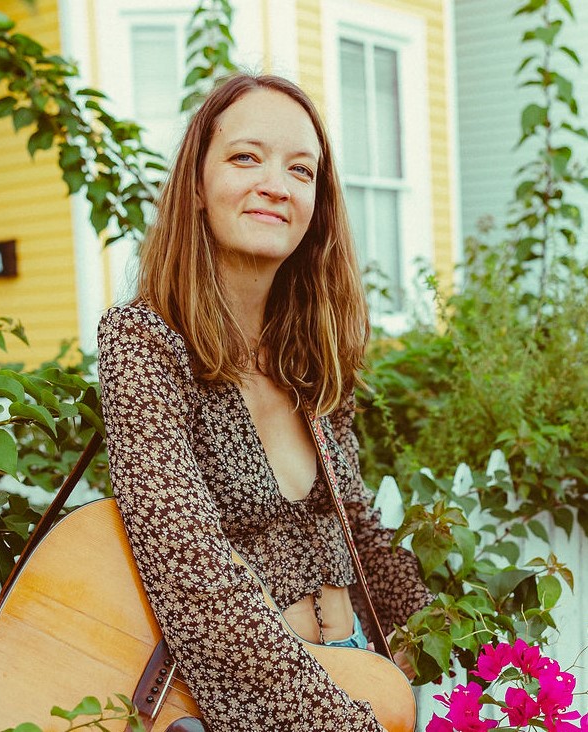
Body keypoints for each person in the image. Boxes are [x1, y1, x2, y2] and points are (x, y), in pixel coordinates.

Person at [97, 73, 433, 731]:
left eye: (300, 170)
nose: (276, 185)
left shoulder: (311, 357)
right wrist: (334, 719)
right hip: (247, 706)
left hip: (357, 671)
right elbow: (190, 573)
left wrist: (466, 656)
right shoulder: (145, 342)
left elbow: (358, 529)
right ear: (196, 186)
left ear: (317, 206)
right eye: (246, 157)